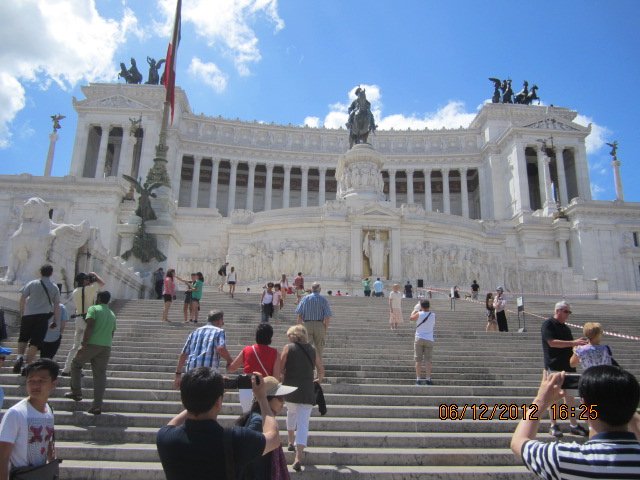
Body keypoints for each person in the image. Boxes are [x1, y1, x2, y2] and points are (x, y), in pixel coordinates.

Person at [511, 366, 640, 479]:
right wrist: (625, 404)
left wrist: (541, 401)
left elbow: (518, 442)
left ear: (586, 408)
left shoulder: (565, 459)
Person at [157, 368, 280, 480]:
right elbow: (273, 438)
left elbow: (171, 424)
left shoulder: (165, 438)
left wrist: (197, 399)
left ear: (182, 400)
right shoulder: (236, 439)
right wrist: (262, 398)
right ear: (218, 402)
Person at [0, 359, 60, 477]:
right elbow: (2, 457)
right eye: (31, 380)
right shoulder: (16, 413)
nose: (35, 385)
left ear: (53, 384)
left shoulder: (49, 411)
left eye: (41, 381)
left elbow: (49, 446)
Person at [64, 290, 117, 415]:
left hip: (92, 344)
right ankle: (97, 405)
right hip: (106, 346)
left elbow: (90, 326)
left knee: (76, 364)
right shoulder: (112, 314)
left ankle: (76, 392)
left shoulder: (93, 309)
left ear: (98, 298)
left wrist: (83, 344)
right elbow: (112, 332)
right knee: (100, 375)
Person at [541, 301, 588, 438]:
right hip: (554, 365)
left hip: (568, 366)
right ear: (558, 311)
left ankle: (573, 425)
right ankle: (553, 425)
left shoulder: (566, 328)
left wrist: (578, 348)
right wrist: (573, 343)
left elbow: (570, 346)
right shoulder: (548, 324)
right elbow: (551, 342)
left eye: (569, 312)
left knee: (570, 397)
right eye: (566, 311)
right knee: (554, 397)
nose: (568, 314)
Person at [281, 325, 325, 472]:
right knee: (303, 424)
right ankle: (298, 457)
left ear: (294, 336)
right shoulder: (313, 350)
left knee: (291, 413)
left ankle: (290, 441)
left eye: (289, 335)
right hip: (306, 391)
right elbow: (321, 370)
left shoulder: (288, 348)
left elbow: (280, 369)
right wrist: (318, 380)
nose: (288, 338)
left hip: (290, 390)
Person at [235, 376, 297, 480]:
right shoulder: (258, 421)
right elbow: (247, 456)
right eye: (280, 398)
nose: (283, 402)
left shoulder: (260, 418)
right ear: (267, 399)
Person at [13, 265, 61, 375]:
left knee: (23, 338)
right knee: (35, 343)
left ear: (40, 272)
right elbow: (57, 305)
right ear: (51, 273)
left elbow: (23, 297)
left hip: (28, 315)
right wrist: (55, 320)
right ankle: (27, 365)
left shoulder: (32, 283)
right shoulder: (54, 287)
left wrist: (22, 312)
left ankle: (19, 356)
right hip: (42, 317)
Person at [173, 310, 233, 390]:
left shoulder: (195, 332)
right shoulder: (219, 331)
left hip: (191, 373)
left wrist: (178, 375)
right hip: (207, 374)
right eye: (222, 322)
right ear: (219, 320)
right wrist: (229, 360)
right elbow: (221, 349)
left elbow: (184, 354)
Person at [228, 323, 282, 412]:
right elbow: (275, 378)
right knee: (262, 416)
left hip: (246, 387)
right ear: (270, 337)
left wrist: (228, 362)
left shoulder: (247, 350)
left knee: (247, 414)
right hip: (264, 389)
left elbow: (232, 368)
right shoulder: (275, 353)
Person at [61, 271, 106, 376]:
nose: (89, 280)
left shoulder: (75, 291)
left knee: (76, 345)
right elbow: (102, 283)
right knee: (83, 346)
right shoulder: (89, 290)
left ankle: (66, 369)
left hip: (78, 318)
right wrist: (94, 274)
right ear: (84, 280)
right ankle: (76, 368)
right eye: (87, 279)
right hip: (87, 320)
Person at [295, 282, 332, 360]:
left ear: (311, 289)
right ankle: (318, 366)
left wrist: (298, 327)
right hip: (319, 325)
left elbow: (299, 315)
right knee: (319, 349)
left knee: (306, 348)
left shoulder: (305, 298)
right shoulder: (323, 300)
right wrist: (325, 328)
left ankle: (307, 366)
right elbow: (327, 317)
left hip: (307, 324)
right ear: (320, 290)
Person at [410, 299, 436, 386]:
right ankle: (428, 379)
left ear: (421, 307)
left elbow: (411, 319)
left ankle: (418, 379)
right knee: (428, 360)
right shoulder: (433, 315)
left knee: (418, 360)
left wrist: (416, 310)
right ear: (429, 306)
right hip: (429, 339)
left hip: (419, 338)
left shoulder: (419, 314)